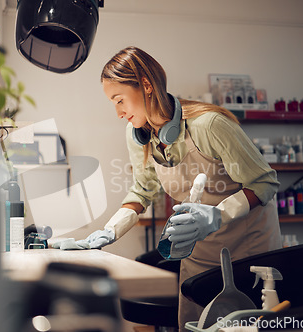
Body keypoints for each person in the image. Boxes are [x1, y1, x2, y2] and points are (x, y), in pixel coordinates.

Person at [54, 46, 282, 330]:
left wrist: (217, 216)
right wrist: (110, 230)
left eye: (119, 100)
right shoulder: (139, 135)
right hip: (198, 252)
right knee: (196, 323)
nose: (118, 113)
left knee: (245, 324)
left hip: (249, 248)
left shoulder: (209, 125)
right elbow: (142, 190)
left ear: (146, 86)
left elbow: (265, 182)